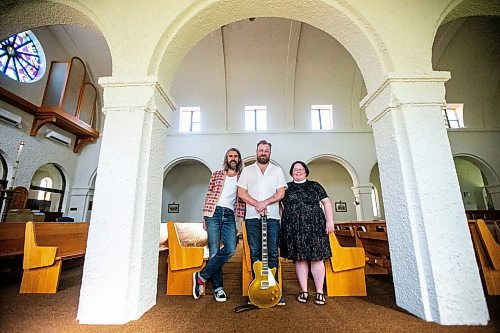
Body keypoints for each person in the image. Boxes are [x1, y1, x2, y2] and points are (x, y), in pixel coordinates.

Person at [237, 140, 287, 305]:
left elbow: (280, 193)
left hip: (272, 217)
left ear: (270, 153)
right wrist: (257, 204)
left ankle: (275, 290)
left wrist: (264, 203)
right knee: (256, 252)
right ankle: (257, 289)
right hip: (252, 218)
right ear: (256, 151)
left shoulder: (277, 170)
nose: (263, 153)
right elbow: (241, 193)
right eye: (261, 150)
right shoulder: (247, 170)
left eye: (266, 150)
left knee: (273, 252)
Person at [193, 148, 245, 302]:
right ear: (226, 159)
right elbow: (209, 194)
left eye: (236, 156)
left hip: (229, 214)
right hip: (213, 213)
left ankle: (201, 275)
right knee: (214, 251)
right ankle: (218, 288)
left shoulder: (242, 178)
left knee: (230, 248)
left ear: (239, 159)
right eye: (230, 156)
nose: (233, 158)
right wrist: (204, 216)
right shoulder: (217, 174)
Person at [279, 161, 334, 305]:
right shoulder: (286, 187)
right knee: (300, 258)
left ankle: (319, 292)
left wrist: (330, 221)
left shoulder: (315, 185)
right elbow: (279, 205)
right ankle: (304, 290)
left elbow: (326, 203)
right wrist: (282, 221)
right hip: (293, 228)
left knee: (317, 258)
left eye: (301, 169)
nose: (298, 171)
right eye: (295, 169)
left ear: (306, 171)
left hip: (315, 227)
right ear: (291, 173)